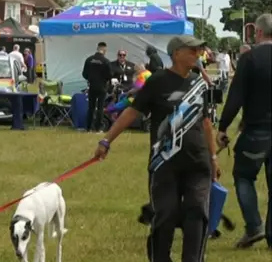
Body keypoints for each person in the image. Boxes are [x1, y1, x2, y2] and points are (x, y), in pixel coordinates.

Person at [94, 35, 220, 262]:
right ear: (176, 53)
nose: (196, 54)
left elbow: (206, 122)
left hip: (197, 162)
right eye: (191, 50)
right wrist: (106, 140)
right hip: (164, 162)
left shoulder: (200, 83)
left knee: (197, 213)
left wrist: (213, 156)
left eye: (198, 51)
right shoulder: (157, 80)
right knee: (165, 215)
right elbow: (132, 112)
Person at [217, 13, 272, 250]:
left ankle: (253, 226)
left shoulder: (250, 59)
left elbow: (235, 96)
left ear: (257, 33)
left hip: (257, 130)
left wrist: (223, 126)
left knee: (244, 176)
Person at [82, 42, 112, 132]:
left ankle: (88, 128)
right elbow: (110, 75)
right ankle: (98, 128)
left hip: (92, 86)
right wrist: (104, 80)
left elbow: (84, 74)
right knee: (100, 108)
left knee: (91, 107)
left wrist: (91, 79)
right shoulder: (106, 61)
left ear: (97, 48)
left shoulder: (89, 59)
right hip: (102, 87)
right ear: (104, 49)